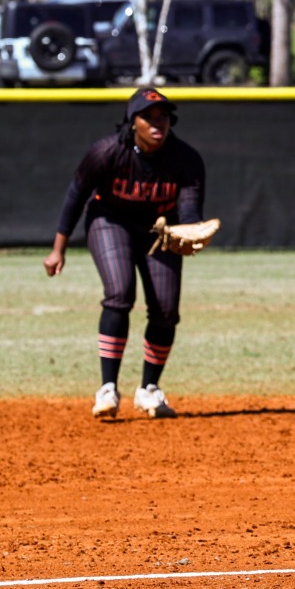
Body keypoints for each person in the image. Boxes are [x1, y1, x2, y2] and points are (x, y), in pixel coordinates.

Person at [45, 87, 205, 419]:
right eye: (148, 117)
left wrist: (188, 232)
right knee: (120, 293)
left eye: (163, 117)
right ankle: (108, 388)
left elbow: (189, 211)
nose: (157, 123)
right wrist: (58, 249)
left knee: (165, 308)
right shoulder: (106, 153)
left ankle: (148, 390)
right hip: (109, 220)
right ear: (133, 122)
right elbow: (76, 195)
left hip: (158, 228)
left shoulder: (186, 159)